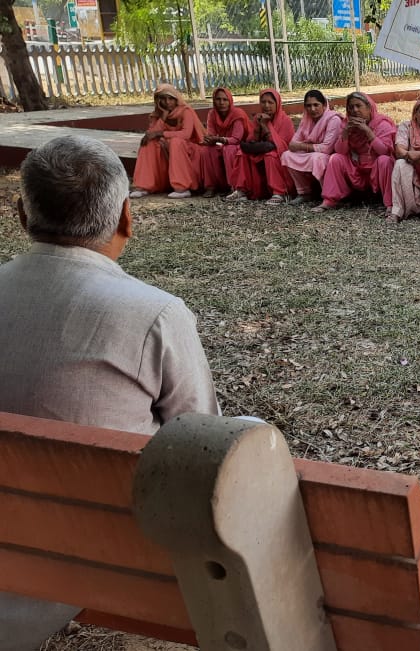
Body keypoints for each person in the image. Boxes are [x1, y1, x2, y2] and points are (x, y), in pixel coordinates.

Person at [0, 136, 219, 651]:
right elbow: (203, 439)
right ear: (127, 217)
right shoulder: (154, 314)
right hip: (106, 539)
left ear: (20, 214)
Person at [314, 92, 397, 213]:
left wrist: (368, 131)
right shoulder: (346, 124)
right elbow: (340, 150)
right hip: (357, 168)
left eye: (359, 106)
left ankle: (389, 204)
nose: (355, 110)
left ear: (369, 108)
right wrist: (346, 133)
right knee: (336, 158)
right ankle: (329, 201)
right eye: (351, 107)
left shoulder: (382, 124)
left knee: (384, 160)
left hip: (376, 168)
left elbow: (384, 151)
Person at [129, 84, 205, 199]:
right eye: (163, 99)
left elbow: (186, 134)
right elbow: (151, 134)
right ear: (158, 101)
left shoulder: (185, 111)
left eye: (170, 98)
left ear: (176, 99)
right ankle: (143, 186)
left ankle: (182, 188)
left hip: (189, 147)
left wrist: (162, 133)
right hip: (169, 148)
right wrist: (163, 116)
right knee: (148, 143)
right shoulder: (158, 114)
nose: (167, 102)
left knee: (176, 141)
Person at [228, 88, 294, 205]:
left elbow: (281, 146)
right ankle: (242, 190)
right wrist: (258, 127)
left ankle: (279, 193)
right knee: (241, 153)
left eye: (270, 102)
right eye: (263, 102)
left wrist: (265, 126)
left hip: (280, 158)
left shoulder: (285, 121)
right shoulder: (258, 118)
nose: (266, 106)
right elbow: (251, 140)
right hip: (261, 153)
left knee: (270, 155)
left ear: (277, 104)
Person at [281, 89, 344, 206]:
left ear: (324, 105)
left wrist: (301, 146)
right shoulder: (307, 119)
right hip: (313, 152)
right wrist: (301, 146)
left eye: (316, 105)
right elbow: (292, 144)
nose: (312, 109)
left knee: (317, 158)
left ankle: (328, 195)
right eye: (309, 106)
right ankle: (304, 192)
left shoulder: (333, 119)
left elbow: (327, 148)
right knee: (287, 155)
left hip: (331, 157)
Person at [200, 87, 249, 199]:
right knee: (207, 150)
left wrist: (219, 139)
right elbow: (211, 133)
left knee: (229, 149)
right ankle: (211, 186)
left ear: (230, 101)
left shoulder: (237, 114)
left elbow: (237, 139)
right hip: (222, 142)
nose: (221, 103)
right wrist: (208, 140)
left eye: (225, 99)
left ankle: (233, 186)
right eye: (218, 99)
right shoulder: (212, 114)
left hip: (241, 145)